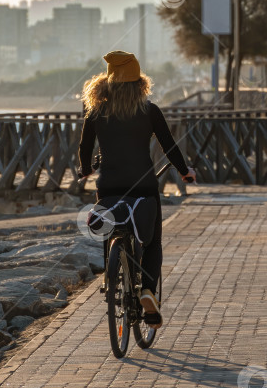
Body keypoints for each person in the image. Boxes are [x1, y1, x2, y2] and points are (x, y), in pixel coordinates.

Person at [78, 50, 196, 330]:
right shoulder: (149, 111)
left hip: (108, 186)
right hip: (143, 186)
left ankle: (112, 275)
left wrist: (85, 169)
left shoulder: (96, 112)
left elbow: (85, 148)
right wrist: (184, 171)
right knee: (152, 241)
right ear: (138, 81)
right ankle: (147, 292)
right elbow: (169, 146)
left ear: (108, 80)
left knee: (111, 227)